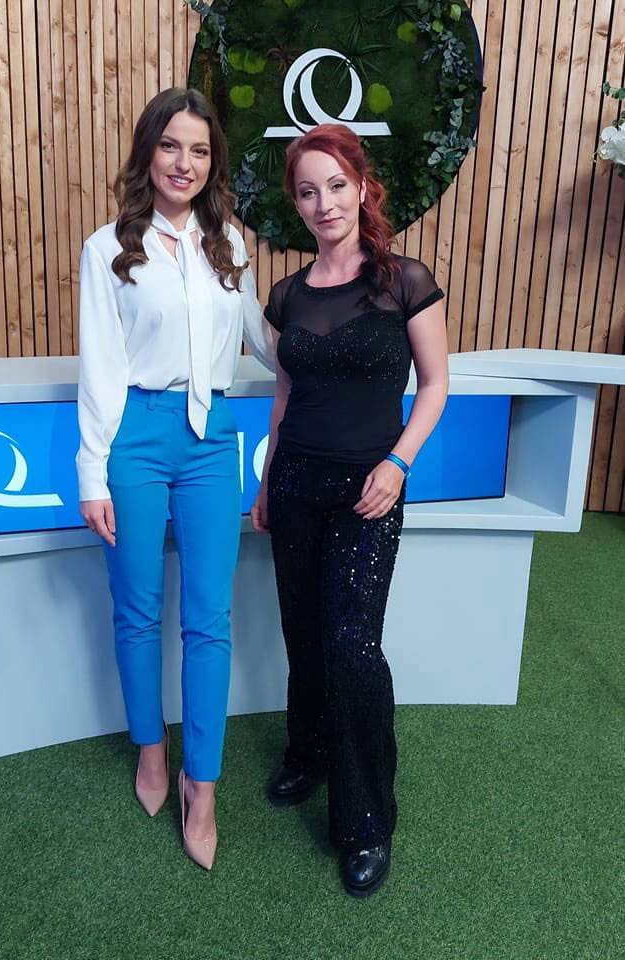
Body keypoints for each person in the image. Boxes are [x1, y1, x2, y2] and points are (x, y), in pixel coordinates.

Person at [76, 87, 273, 871]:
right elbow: (100, 366)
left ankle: (203, 784)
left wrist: (338, 333)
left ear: (211, 162)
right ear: (147, 153)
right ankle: (150, 750)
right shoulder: (108, 249)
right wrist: (92, 471)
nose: (183, 162)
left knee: (209, 618)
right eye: (169, 145)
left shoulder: (229, 246)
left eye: (198, 149)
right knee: (136, 608)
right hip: (136, 435)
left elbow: (264, 339)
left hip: (212, 439)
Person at [251, 123, 449, 898]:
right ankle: (308, 754)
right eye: (307, 191)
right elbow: (284, 395)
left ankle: (367, 822)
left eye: (335, 185)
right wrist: (267, 481)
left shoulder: (404, 280)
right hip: (295, 483)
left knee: (351, 645)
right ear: (296, 203)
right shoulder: (287, 295)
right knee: (303, 632)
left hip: (369, 490)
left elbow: (435, 384)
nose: (323, 202)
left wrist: (398, 463)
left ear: (362, 187)